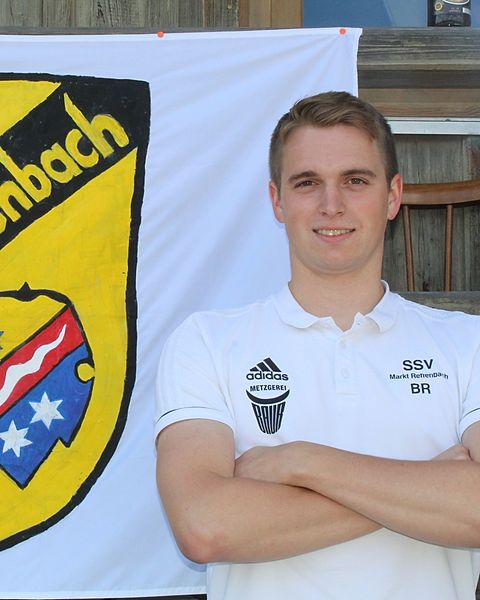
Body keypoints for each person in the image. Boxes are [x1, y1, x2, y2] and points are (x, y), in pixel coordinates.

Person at [155, 91, 480, 599]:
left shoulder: (467, 342)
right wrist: (430, 487)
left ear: (392, 196)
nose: (332, 205)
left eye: (356, 180)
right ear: (277, 200)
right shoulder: (207, 342)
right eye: (307, 183)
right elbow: (205, 527)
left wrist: (303, 462)